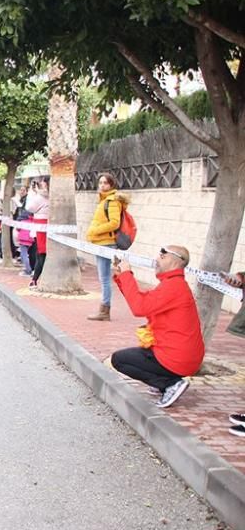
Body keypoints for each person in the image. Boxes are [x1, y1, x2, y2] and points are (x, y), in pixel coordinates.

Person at [109, 245, 204, 408]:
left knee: (120, 360)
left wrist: (127, 274)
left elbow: (139, 308)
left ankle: (170, 383)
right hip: (177, 354)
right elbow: (143, 302)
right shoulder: (172, 284)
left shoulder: (174, 286)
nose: (157, 259)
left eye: (163, 255)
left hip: (176, 358)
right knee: (133, 356)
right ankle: (163, 382)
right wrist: (122, 278)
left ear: (177, 261)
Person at [86, 173, 127, 321]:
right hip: (100, 242)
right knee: (103, 278)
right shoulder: (104, 200)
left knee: (104, 279)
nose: (102, 185)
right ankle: (104, 309)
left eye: (105, 183)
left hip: (106, 242)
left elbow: (114, 223)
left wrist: (94, 231)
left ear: (112, 185)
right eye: (100, 182)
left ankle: (104, 310)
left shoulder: (112, 201)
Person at [25, 179, 49, 288]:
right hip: (42, 226)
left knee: (41, 253)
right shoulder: (48, 196)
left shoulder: (41, 197)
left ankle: (35, 278)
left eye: (43, 184)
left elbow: (29, 207)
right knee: (40, 252)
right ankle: (36, 277)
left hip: (41, 227)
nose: (41, 186)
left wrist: (34, 193)